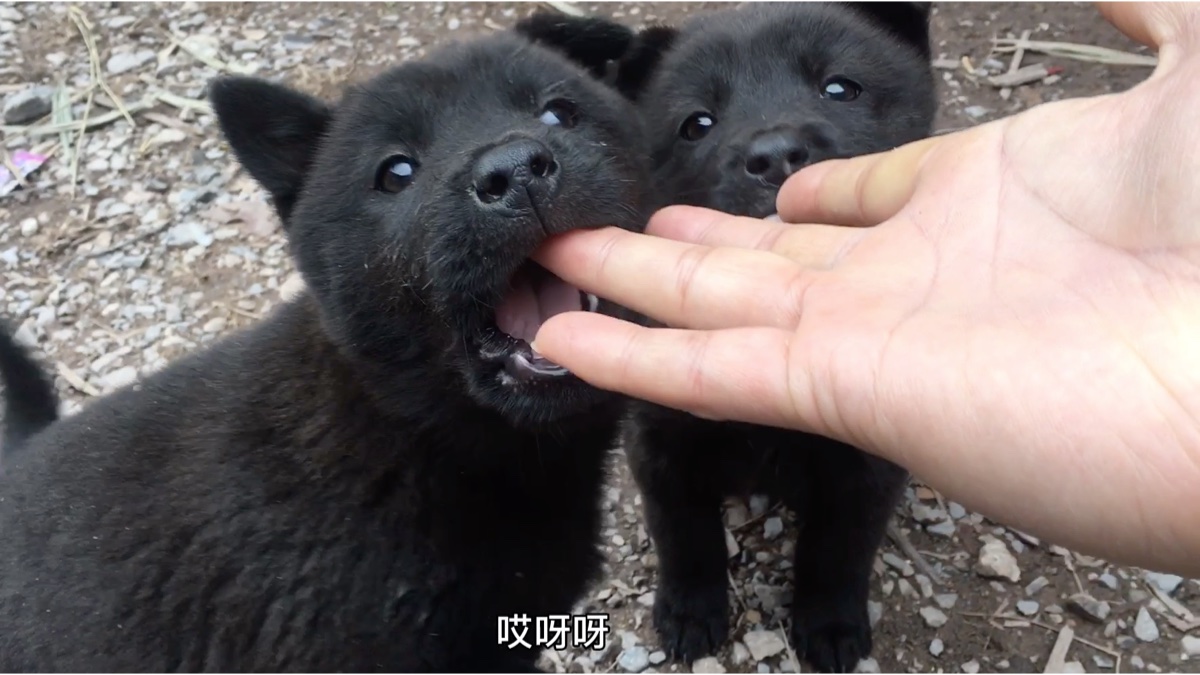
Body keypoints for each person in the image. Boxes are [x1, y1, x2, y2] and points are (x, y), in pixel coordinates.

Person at [529, 1, 1200, 578]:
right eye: (696, 125)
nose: (772, 143)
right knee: (676, 450)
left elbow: (874, 477)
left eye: (841, 89)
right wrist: (689, 581)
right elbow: (666, 473)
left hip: (879, 338)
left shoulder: (946, 307)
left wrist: (834, 595)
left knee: (864, 470)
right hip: (707, 316)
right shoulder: (655, 311)